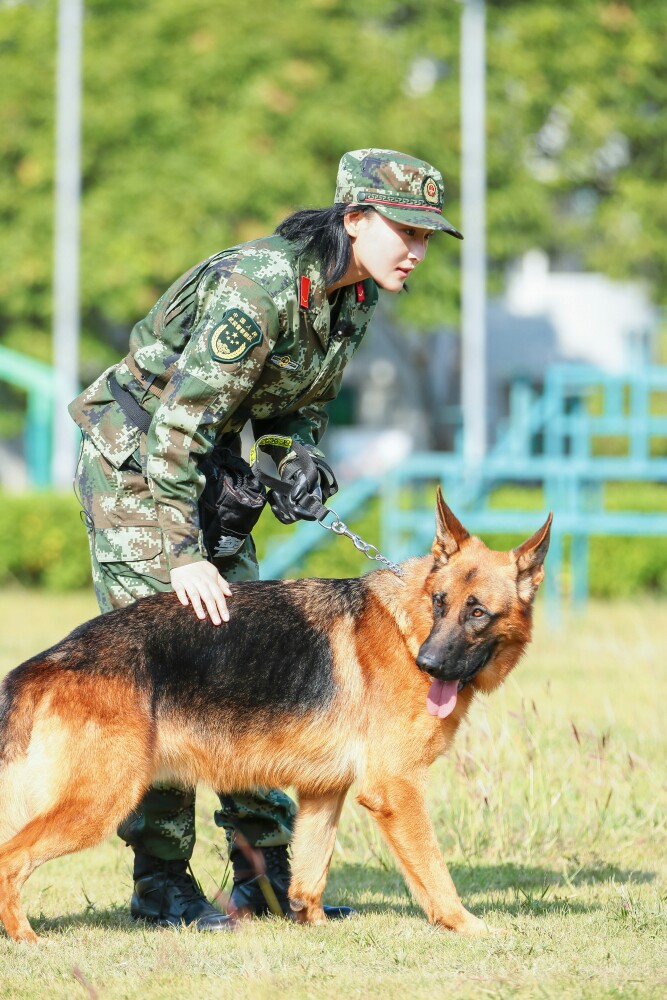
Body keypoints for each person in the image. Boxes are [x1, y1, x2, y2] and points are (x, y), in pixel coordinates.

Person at [69, 148, 463, 930]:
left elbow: (295, 404)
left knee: (253, 661)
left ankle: (265, 876)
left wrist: (295, 458)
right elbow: (177, 426)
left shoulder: (352, 295)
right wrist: (182, 556)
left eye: (427, 237)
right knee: (170, 664)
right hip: (141, 469)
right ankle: (162, 887)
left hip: (204, 466)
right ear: (354, 218)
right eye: (404, 231)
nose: (415, 251)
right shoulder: (260, 287)